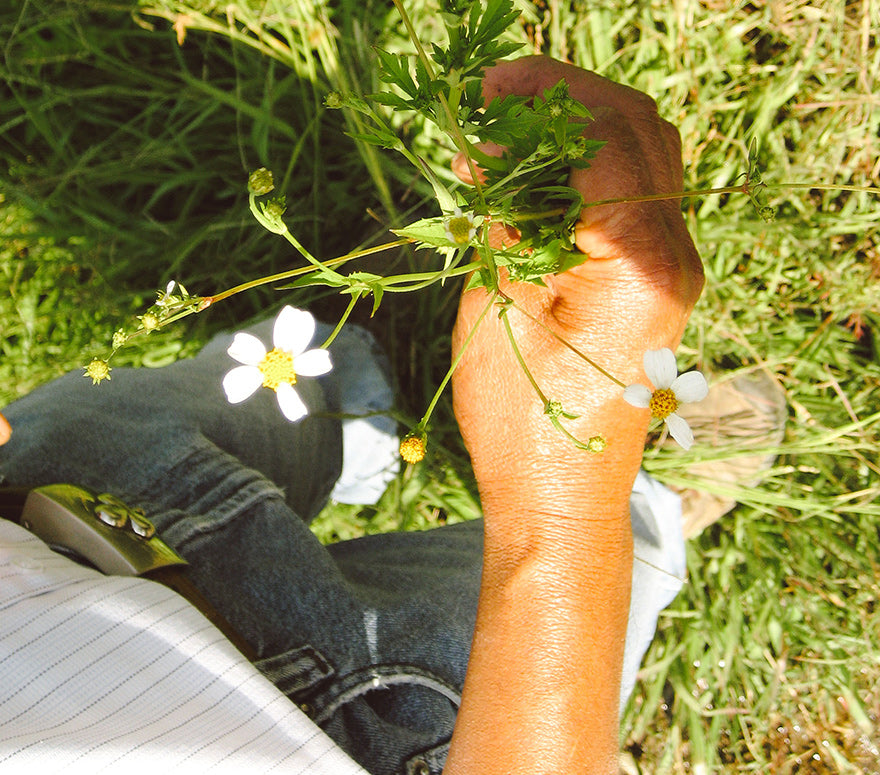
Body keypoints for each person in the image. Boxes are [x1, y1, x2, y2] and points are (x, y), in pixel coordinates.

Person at [0, 56, 701, 774]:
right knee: (598, 575)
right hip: (343, 719)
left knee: (256, 386)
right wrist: (566, 513)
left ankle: (366, 374)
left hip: (41, 500)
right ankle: (656, 507)